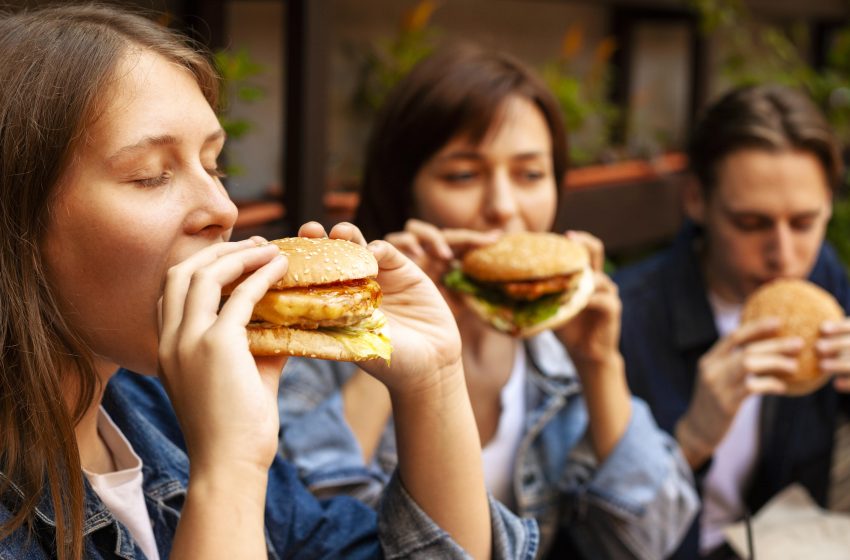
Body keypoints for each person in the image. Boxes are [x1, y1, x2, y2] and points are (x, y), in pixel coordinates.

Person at [0, 5, 538, 559]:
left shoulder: (165, 413)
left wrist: (433, 382)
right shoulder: (207, 426)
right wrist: (228, 466)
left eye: (214, 166)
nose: (222, 209)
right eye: (150, 176)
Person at [278, 43, 699, 559]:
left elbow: (651, 541)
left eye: (530, 175)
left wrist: (599, 365)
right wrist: (386, 340)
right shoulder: (323, 338)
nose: (503, 207)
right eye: (463, 175)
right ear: (405, 190)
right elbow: (298, 527)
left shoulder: (563, 353)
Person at [613, 84, 850, 558]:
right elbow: (602, 538)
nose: (783, 256)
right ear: (697, 199)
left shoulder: (826, 280)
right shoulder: (625, 322)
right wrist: (690, 442)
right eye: (750, 224)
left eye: (804, 223)